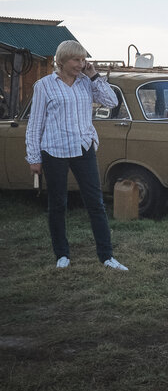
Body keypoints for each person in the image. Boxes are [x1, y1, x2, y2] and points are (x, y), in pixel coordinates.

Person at [26, 40, 128, 271]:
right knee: (58, 204)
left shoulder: (86, 82)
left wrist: (94, 76)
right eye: (76, 60)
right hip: (54, 149)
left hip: (83, 147)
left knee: (96, 204)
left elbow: (112, 102)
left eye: (83, 60)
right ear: (62, 60)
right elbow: (35, 123)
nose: (81, 64)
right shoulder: (44, 86)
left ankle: (107, 256)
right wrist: (34, 156)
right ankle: (62, 254)